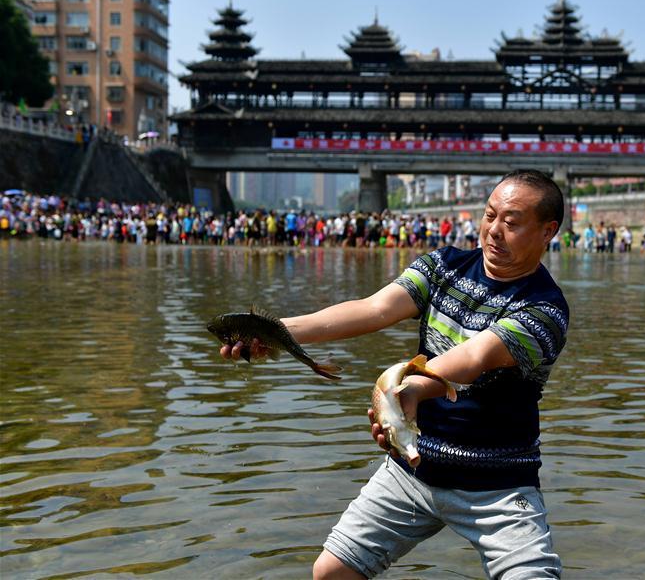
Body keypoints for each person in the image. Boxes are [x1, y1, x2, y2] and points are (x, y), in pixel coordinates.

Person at [219, 170, 569, 579]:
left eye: (510, 223)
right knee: (330, 573)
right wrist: (273, 331)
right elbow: (373, 309)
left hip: (498, 486)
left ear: (548, 231)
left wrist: (406, 389)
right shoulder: (444, 267)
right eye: (489, 215)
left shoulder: (546, 310)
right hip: (412, 469)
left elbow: (474, 357)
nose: (493, 231)